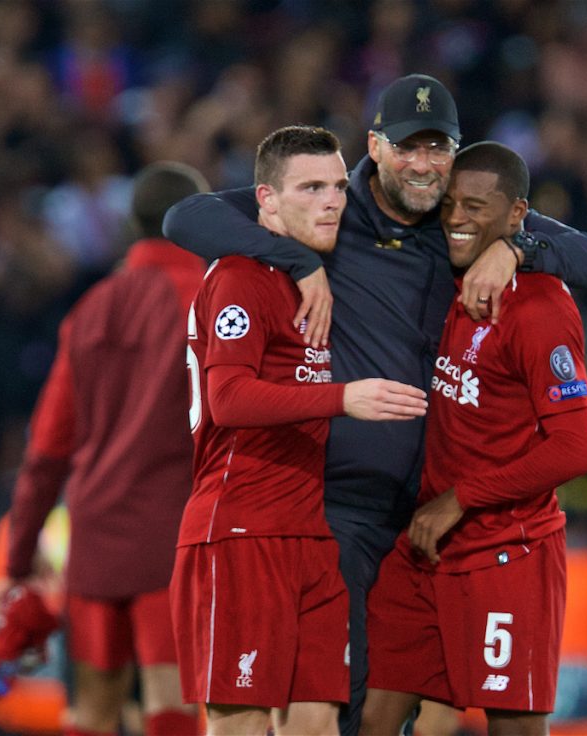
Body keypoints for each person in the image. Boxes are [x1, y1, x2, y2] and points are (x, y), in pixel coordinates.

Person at [162, 73, 587, 734]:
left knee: (407, 710)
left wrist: (515, 250)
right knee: (346, 709)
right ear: (374, 147)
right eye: (408, 147)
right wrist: (297, 261)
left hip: (433, 518)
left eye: (439, 149)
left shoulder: (463, 219)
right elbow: (187, 216)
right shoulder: (330, 211)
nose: (423, 164)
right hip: (341, 512)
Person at [168, 125, 428, 736]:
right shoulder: (239, 276)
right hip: (240, 529)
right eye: (310, 188)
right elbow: (228, 398)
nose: (332, 201)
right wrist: (344, 399)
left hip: (310, 532)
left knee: (318, 722)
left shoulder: (302, 279)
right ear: (265, 199)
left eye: (338, 186)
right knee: (242, 724)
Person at [358, 141, 587, 736]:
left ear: (518, 214)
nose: (458, 218)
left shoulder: (541, 309)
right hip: (422, 549)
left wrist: (461, 497)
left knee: (512, 729)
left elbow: (578, 446)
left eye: (476, 206)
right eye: (450, 205)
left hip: (505, 551)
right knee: (371, 717)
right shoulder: (443, 280)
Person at [0, 161, 210, 736]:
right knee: (173, 703)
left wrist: (20, 559)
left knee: (92, 709)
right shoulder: (210, 302)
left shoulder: (91, 308)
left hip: (95, 537)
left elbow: (46, 449)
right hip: (174, 536)